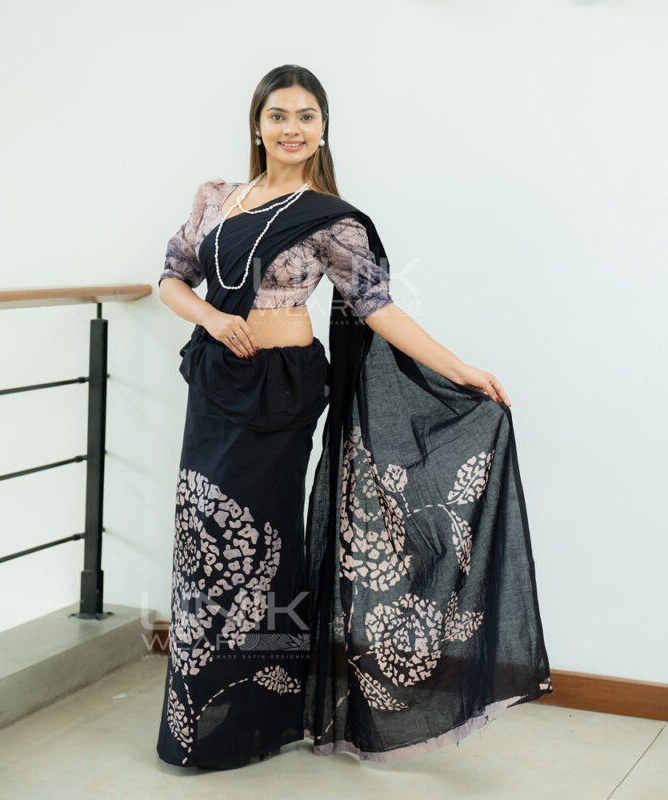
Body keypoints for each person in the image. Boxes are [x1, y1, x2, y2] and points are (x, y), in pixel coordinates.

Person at [155, 64, 553, 770]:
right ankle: (200, 721)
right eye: (279, 115)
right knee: (202, 539)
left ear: (322, 129)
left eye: (306, 116)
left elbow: (379, 309)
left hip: (280, 394)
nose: (292, 128)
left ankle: (259, 717)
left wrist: (461, 369)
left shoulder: (332, 220)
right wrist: (213, 319)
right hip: (215, 381)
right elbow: (170, 279)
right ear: (258, 125)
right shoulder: (216, 197)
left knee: (262, 545)